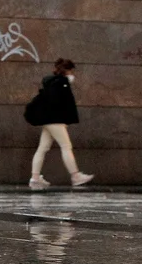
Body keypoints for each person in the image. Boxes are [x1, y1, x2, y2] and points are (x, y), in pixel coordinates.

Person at [27, 58, 94, 190]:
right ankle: (75, 176)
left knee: (43, 148)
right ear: (67, 70)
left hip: (47, 120)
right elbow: (58, 103)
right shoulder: (60, 83)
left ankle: (35, 178)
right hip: (55, 120)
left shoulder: (51, 82)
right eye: (71, 71)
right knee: (66, 146)